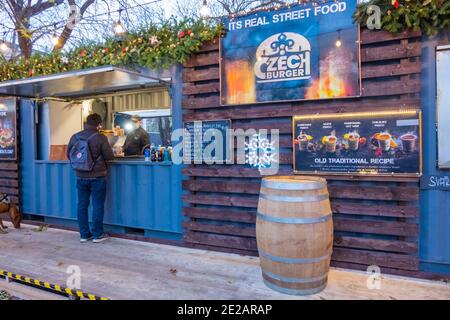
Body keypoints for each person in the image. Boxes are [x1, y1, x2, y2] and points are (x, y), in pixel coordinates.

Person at [67, 113, 114, 243]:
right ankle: (97, 234)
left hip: (80, 176)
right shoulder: (100, 137)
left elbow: (69, 155)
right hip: (97, 177)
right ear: (99, 124)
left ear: (86, 122)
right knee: (97, 205)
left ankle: (84, 234)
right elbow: (110, 157)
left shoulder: (75, 137)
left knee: (82, 205)